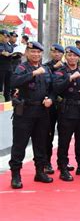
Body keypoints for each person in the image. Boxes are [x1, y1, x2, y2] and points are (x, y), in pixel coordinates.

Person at [9, 42, 54, 189]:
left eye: (38, 52)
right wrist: (33, 73)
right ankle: (16, 175)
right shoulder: (21, 68)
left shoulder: (46, 69)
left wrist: (50, 99)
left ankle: (40, 172)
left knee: (41, 144)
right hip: (24, 112)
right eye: (32, 52)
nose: (36, 54)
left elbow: (52, 89)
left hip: (41, 112)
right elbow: (14, 81)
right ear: (27, 53)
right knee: (19, 145)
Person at [53, 46, 80, 181]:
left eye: (74, 56)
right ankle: (63, 167)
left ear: (78, 58)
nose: (72, 58)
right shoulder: (60, 72)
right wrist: (69, 78)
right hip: (66, 110)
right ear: (66, 57)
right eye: (69, 55)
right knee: (64, 141)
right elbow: (56, 88)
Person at [44, 43, 66, 174]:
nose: (56, 54)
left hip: (64, 105)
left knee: (64, 135)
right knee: (48, 134)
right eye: (54, 52)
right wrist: (52, 68)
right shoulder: (46, 66)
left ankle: (62, 162)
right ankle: (46, 162)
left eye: (59, 52)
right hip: (50, 106)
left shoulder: (67, 66)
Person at [0, 30, 13, 101]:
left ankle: (7, 98)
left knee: (8, 84)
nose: (6, 38)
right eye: (5, 36)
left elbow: (12, 51)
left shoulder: (9, 45)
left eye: (8, 37)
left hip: (9, 67)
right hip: (1, 67)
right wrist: (2, 52)